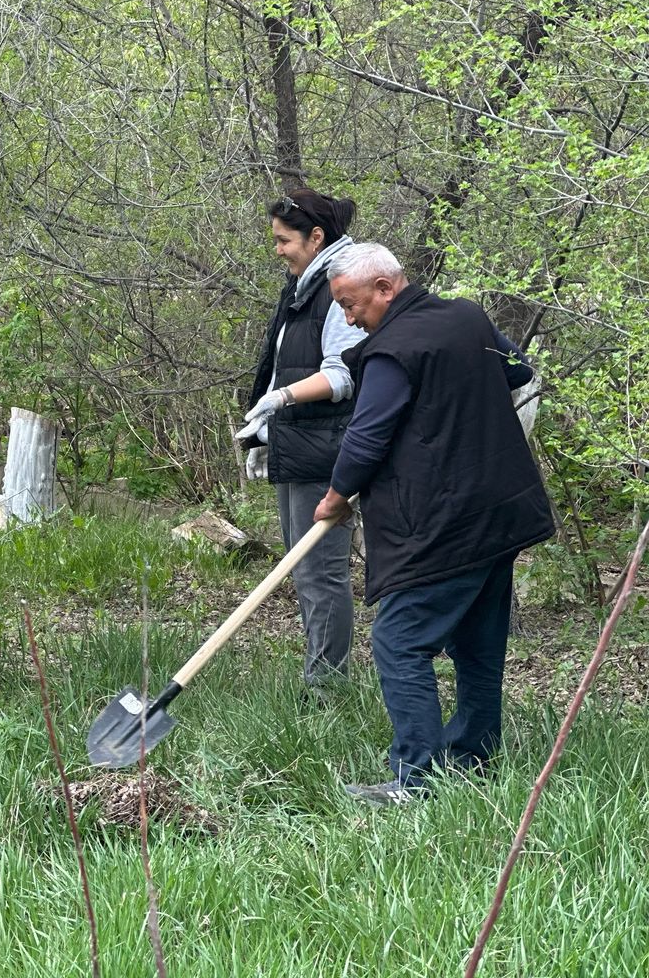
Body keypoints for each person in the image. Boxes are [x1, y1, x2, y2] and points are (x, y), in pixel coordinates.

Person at [313, 244, 554, 805]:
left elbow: (367, 437)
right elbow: (517, 369)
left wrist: (335, 497)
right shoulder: (467, 317)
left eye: (351, 305)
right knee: (478, 642)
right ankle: (471, 761)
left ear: (385, 289)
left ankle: (414, 781)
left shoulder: (394, 350)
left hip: (443, 522)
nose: (348, 319)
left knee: (398, 641)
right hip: (500, 511)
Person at [236, 188, 366, 690]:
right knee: (302, 571)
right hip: (300, 446)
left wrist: (282, 400)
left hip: (327, 451)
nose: (278, 250)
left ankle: (327, 689)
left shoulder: (340, 286)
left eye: (284, 240)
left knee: (319, 573)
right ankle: (320, 677)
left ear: (316, 237)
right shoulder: (304, 288)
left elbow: (342, 377)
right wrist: (268, 431)